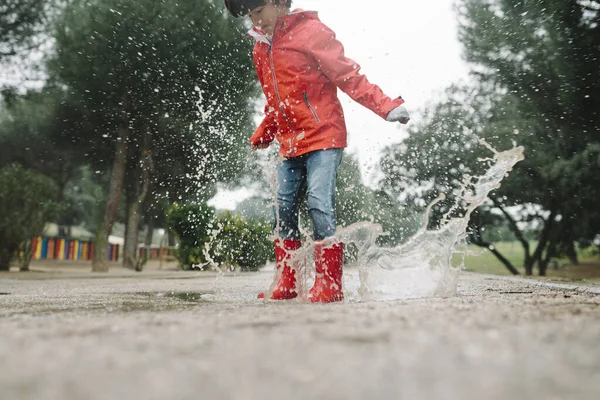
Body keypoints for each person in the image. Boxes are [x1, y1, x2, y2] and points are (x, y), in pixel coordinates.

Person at [224, 0, 410, 303]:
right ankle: (289, 281)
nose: (255, 22)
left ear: (277, 2)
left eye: (258, 12)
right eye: (249, 16)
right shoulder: (261, 48)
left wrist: (386, 106)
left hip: (324, 135)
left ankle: (329, 284)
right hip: (289, 141)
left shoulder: (312, 32)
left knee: (318, 202)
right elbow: (275, 100)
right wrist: (265, 131)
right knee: (281, 207)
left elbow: (349, 75)